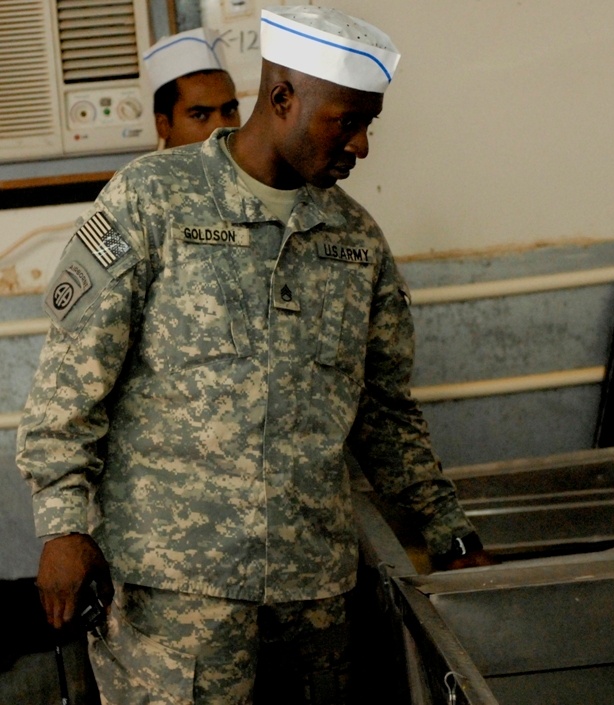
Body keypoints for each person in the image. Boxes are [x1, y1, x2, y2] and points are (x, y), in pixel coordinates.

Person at [18, 6, 492, 704]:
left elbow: (386, 411)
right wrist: (62, 524)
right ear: (282, 100)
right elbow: (70, 384)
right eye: (347, 121)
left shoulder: (354, 241)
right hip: (178, 601)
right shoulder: (153, 202)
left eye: (369, 125)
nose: (362, 147)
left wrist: (449, 532)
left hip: (314, 598)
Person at [143, 27, 241, 149]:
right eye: (200, 115)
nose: (221, 128)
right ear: (163, 126)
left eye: (229, 111)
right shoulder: (143, 169)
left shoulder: (251, 167)